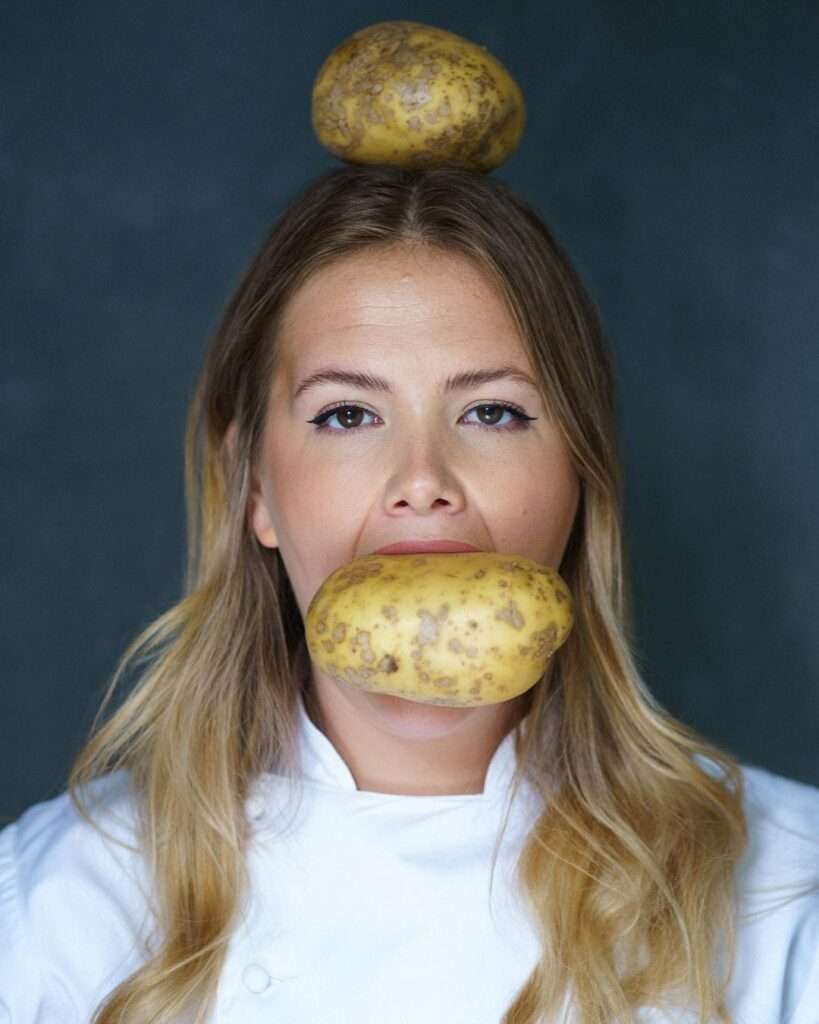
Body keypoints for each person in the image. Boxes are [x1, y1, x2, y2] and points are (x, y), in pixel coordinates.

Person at [1, 163, 817, 1024]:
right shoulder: (50, 910)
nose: (422, 481)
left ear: (581, 472)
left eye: (492, 412)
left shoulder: (784, 893)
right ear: (251, 490)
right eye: (347, 414)